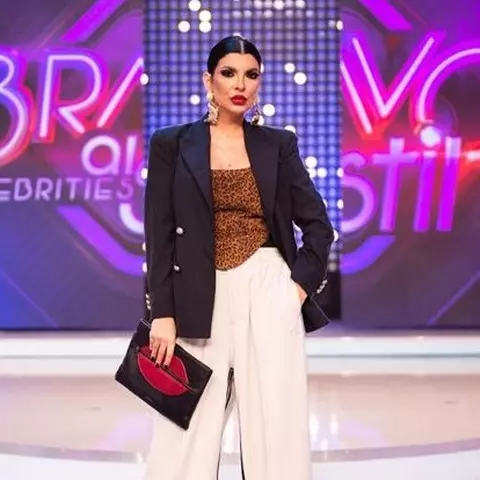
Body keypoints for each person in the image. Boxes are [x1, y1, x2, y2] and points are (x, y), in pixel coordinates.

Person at [143, 35, 334, 480]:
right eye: (228, 73)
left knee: (277, 421)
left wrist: (294, 290)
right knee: (184, 425)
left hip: (268, 287)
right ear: (208, 80)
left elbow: (318, 226)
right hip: (195, 291)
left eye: (251, 75)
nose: (240, 84)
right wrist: (162, 313)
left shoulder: (278, 145)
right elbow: (159, 234)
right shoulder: (171, 143)